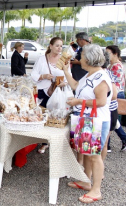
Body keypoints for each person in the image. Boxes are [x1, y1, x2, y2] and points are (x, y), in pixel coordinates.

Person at [63, 44, 112, 203]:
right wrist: (66, 71)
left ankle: (96, 190)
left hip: (96, 120)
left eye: (82, 55)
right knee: (87, 153)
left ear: (89, 59)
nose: (79, 58)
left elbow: (101, 101)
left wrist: (78, 101)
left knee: (94, 156)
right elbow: (76, 86)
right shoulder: (90, 74)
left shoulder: (101, 77)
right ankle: (86, 181)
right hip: (86, 119)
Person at [31, 37, 69, 154]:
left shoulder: (64, 60)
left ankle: (56, 142)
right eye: (57, 45)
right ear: (51, 46)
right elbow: (33, 74)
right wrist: (43, 76)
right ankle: (44, 142)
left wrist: (64, 83)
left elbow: (69, 76)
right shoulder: (42, 59)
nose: (59, 48)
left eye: (61, 46)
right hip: (44, 91)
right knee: (44, 117)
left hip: (58, 92)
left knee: (57, 117)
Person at [106, 45, 126, 151]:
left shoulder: (115, 66)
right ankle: (108, 145)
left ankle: (107, 145)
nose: (106, 55)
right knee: (113, 120)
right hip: (117, 93)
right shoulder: (113, 65)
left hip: (115, 94)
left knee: (111, 120)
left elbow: (113, 83)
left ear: (115, 54)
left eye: (108, 53)